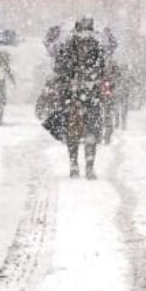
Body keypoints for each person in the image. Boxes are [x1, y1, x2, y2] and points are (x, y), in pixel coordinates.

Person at [53, 18, 108, 178]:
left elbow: (102, 68)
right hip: (72, 95)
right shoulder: (67, 48)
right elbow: (59, 68)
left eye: (88, 31)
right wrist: (70, 79)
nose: (85, 36)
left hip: (92, 95)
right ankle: (73, 163)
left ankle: (90, 166)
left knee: (92, 130)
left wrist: (93, 78)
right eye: (82, 31)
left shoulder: (98, 49)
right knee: (72, 131)